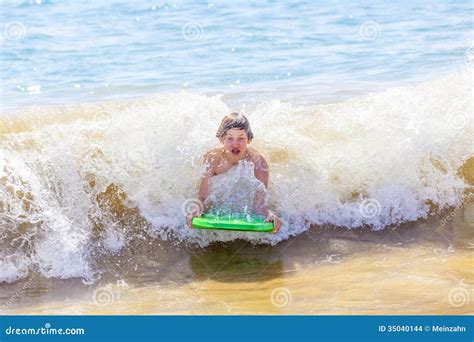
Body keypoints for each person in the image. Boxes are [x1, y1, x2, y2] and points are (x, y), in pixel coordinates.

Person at [186, 112, 281, 233]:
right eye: (230, 138)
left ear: (249, 139)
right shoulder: (213, 158)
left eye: (241, 138)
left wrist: (269, 215)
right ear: (221, 139)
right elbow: (204, 197)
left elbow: (259, 205)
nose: (235, 144)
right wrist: (196, 209)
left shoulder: (258, 162)